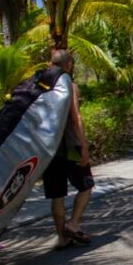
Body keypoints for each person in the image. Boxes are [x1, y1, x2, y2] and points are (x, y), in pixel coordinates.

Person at [43, 50, 94, 250]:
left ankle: (61, 238)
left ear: (51, 64)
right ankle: (73, 224)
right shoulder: (69, 86)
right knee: (86, 185)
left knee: (57, 195)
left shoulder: (42, 89)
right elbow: (75, 118)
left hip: (48, 148)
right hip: (70, 147)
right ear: (69, 65)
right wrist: (84, 146)